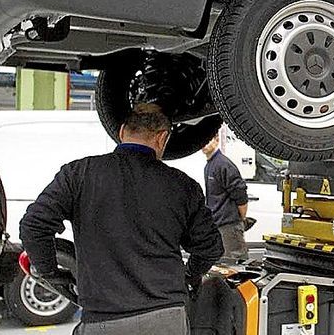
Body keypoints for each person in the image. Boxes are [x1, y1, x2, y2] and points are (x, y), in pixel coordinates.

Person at [20, 104, 223, 335]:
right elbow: (211, 248)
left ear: (122, 131)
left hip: (103, 321)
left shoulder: (79, 173)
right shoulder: (183, 185)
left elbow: (33, 226)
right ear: (163, 138)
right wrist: (189, 275)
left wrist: (50, 273)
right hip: (165, 318)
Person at [201, 135, 250, 262]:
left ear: (216, 140)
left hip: (229, 226)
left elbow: (240, 193)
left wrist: (241, 218)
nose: (204, 145)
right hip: (217, 224)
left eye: (208, 140)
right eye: (202, 142)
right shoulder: (209, 165)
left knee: (236, 264)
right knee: (222, 265)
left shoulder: (223, 164)